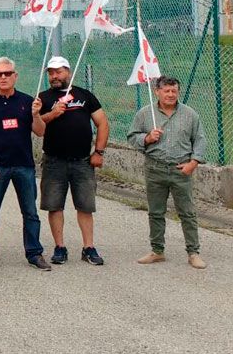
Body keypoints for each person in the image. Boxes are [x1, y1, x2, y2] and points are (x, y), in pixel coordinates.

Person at [0, 57, 50, 271]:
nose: (4, 77)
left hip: (24, 165)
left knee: (30, 212)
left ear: (15, 76)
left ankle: (34, 253)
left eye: (8, 73)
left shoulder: (27, 101)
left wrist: (36, 114)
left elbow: (40, 131)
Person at [127, 75, 208, 270]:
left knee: (187, 212)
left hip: (182, 170)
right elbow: (132, 136)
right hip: (155, 169)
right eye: (166, 91)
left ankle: (193, 252)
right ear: (157, 91)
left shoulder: (190, 114)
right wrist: (147, 138)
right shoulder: (145, 114)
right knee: (155, 212)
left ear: (178, 92)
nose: (170, 94)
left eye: (174, 91)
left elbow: (200, 140)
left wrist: (193, 163)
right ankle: (157, 251)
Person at [36, 56, 110, 266]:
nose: (54, 76)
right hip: (53, 161)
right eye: (50, 72)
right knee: (54, 206)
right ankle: (60, 247)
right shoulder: (43, 98)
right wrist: (53, 113)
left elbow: (102, 123)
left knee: (85, 206)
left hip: (83, 161)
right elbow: (38, 128)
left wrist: (99, 152)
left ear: (68, 72)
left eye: (58, 71)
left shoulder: (84, 96)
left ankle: (88, 247)